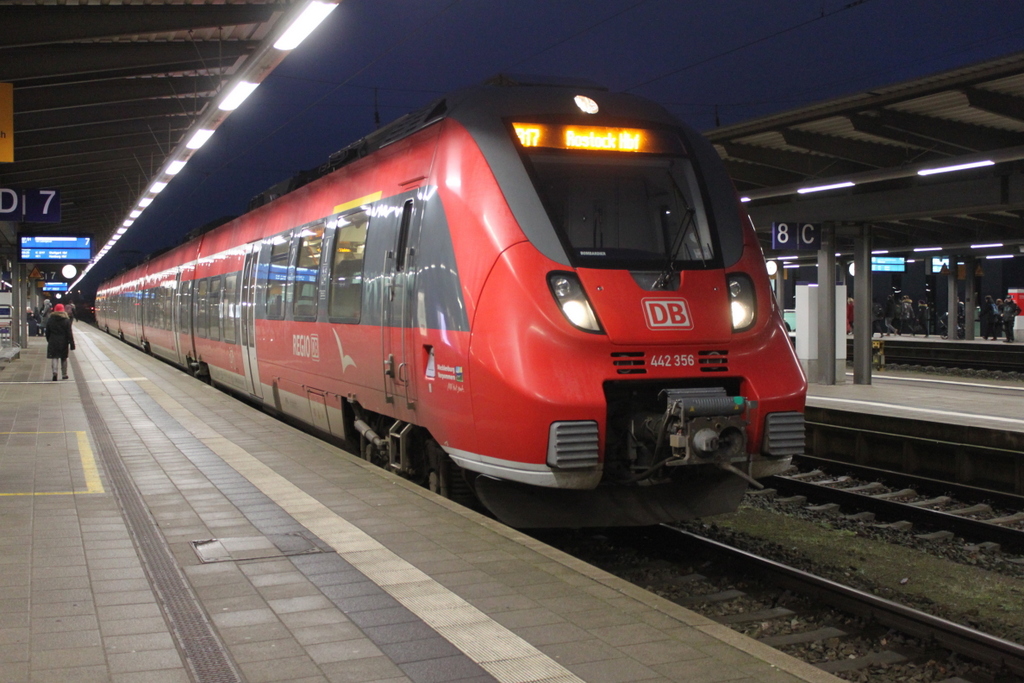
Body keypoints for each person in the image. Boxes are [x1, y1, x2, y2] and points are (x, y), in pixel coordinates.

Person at [45, 303, 75, 381]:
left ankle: (54, 373)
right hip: (63, 341)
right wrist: (72, 344)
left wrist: (49, 339)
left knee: (54, 357)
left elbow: (47, 332)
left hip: (53, 340)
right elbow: (69, 333)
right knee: (64, 358)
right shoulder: (66, 320)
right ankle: (64, 374)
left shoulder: (50, 320)